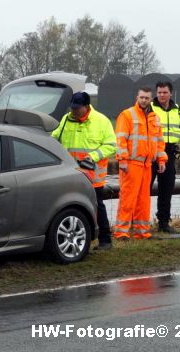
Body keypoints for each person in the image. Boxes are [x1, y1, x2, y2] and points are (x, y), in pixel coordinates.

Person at [52, 91, 116, 250]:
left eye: (77, 108)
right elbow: (54, 139)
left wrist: (92, 156)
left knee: (97, 207)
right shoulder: (66, 119)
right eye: (72, 107)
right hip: (70, 174)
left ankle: (105, 240)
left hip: (93, 176)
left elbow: (111, 146)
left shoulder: (101, 121)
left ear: (86, 107)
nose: (73, 111)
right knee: (68, 206)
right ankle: (74, 238)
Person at [114, 87, 167, 240]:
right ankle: (121, 232)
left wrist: (161, 159)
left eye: (147, 98)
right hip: (131, 163)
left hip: (147, 165)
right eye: (142, 97)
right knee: (128, 198)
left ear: (151, 99)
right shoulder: (127, 115)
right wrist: (122, 160)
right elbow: (120, 139)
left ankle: (142, 232)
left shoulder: (154, 117)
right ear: (137, 97)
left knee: (143, 200)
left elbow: (159, 141)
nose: (144, 100)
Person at [150, 81, 180, 233]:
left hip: (169, 152)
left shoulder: (178, 110)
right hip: (151, 152)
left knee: (167, 189)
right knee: (144, 189)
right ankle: (138, 224)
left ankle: (163, 223)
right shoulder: (149, 108)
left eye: (164, 92)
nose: (161, 95)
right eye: (159, 92)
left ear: (171, 93)